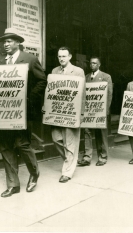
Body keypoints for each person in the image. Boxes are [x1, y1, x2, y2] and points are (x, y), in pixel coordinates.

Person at [0, 28, 47, 197]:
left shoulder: (29, 60)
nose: (6, 44)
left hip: (23, 111)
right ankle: (13, 184)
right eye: (4, 41)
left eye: (9, 41)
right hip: (2, 111)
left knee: (22, 144)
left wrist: (29, 98)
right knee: (5, 145)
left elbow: (42, 81)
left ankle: (34, 173)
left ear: (18, 42)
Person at [49, 47, 85, 183]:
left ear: (70, 57)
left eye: (64, 56)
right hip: (57, 112)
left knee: (70, 142)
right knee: (56, 138)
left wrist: (81, 113)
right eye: (59, 56)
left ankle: (67, 172)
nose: (61, 59)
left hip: (72, 112)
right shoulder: (54, 71)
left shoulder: (78, 71)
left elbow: (83, 93)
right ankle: (70, 161)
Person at [78, 57, 113, 166]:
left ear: (99, 65)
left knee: (101, 134)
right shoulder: (86, 77)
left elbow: (109, 94)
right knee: (87, 132)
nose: (91, 65)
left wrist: (106, 110)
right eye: (90, 63)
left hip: (101, 111)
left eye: (94, 63)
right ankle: (87, 157)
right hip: (89, 110)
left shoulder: (106, 77)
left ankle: (102, 157)